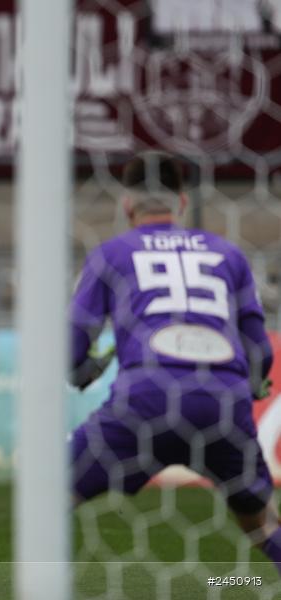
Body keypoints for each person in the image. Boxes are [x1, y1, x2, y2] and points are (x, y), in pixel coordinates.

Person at [69, 151, 281, 574]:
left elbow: (74, 346)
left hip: (145, 403)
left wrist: (83, 369)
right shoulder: (228, 253)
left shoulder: (111, 254)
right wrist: (254, 386)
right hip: (222, 406)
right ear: (181, 202)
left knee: (46, 497)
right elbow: (259, 349)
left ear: (126, 204)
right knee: (260, 523)